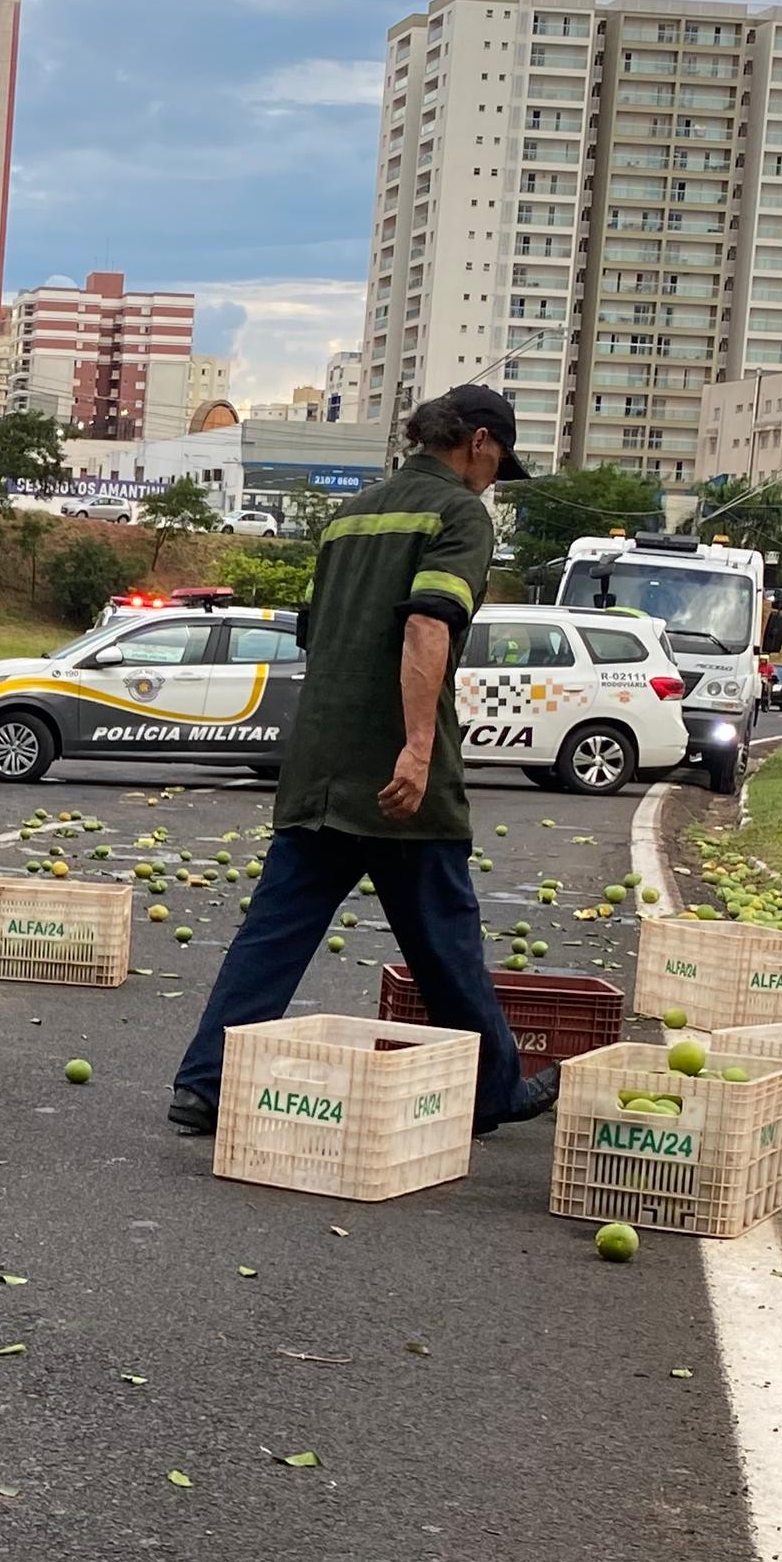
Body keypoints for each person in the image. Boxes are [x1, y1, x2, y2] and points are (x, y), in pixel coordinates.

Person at [170, 385, 556, 1142]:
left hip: (319, 761)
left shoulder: (349, 518)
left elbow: (318, 634)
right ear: (479, 441)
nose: (493, 480)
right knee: (446, 933)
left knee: (275, 931)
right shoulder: (458, 514)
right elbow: (426, 626)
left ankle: (205, 1085)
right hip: (395, 768)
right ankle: (492, 1089)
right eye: (497, 462)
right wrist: (416, 748)